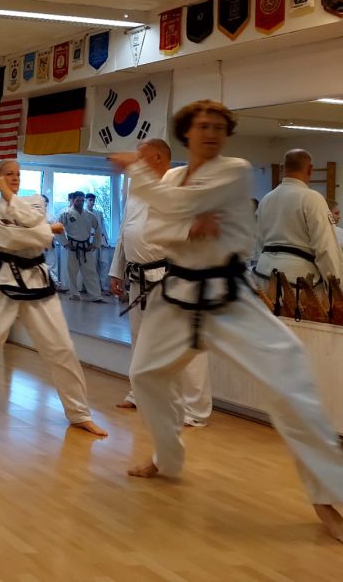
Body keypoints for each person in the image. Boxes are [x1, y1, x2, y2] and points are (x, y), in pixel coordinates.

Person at [109, 100, 343, 541]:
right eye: (203, 126)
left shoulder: (233, 170)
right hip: (177, 297)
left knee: (289, 369)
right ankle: (167, 458)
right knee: (145, 376)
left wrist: (137, 172)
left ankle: (328, 495)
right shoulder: (173, 178)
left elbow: (174, 203)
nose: (212, 133)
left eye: (219, 127)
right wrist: (186, 228)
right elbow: (154, 231)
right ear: (187, 133)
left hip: (228, 295)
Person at [0, 159, 108, 435]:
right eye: (8, 174)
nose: (15, 178)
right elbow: (3, 239)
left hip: (37, 278)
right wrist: (45, 230)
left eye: (18, 174)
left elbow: (37, 230)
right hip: (1, 278)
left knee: (61, 347)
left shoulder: (34, 201)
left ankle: (79, 412)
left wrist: (32, 226)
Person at [109, 138, 211, 426]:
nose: (135, 163)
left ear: (157, 158)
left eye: (140, 157)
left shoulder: (179, 184)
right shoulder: (136, 192)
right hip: (138, 276)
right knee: (140, 340)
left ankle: (195, 410)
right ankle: (141, 393)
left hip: (172, 276)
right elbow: (125, 232)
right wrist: (116, 270)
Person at [255, 149, 343, 288]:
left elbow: (259, 241)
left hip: (263, 273)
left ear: (282, 168)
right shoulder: (312, 198)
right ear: (310, 169)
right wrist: (337, 288)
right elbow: (325, 247)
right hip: (296, 279)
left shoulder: (266, 199)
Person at [59, 191, 105, 302]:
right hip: (72, 247)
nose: (80, 202)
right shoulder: (66, 213)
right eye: (77, 200)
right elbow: (58, 228)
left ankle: (96, 296)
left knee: (90, 272)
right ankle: (74, 294)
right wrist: (65, 242)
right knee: (72, 272)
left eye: (82, 200)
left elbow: (98, 228)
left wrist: (95, 243)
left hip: (86, 246)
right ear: (73, 200)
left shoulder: (89, 215)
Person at [84, 192, 110, 289]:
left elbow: (103, 227)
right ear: (86, 201)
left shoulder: (99, 213)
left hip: (102, 240)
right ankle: (93, 287)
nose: (92, 202)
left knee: (105, 263)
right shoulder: (83, 213)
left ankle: (104, 287)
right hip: (90, 241)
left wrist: (106, 240)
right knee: (92, 264)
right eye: (90, 200)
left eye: (93, 200)